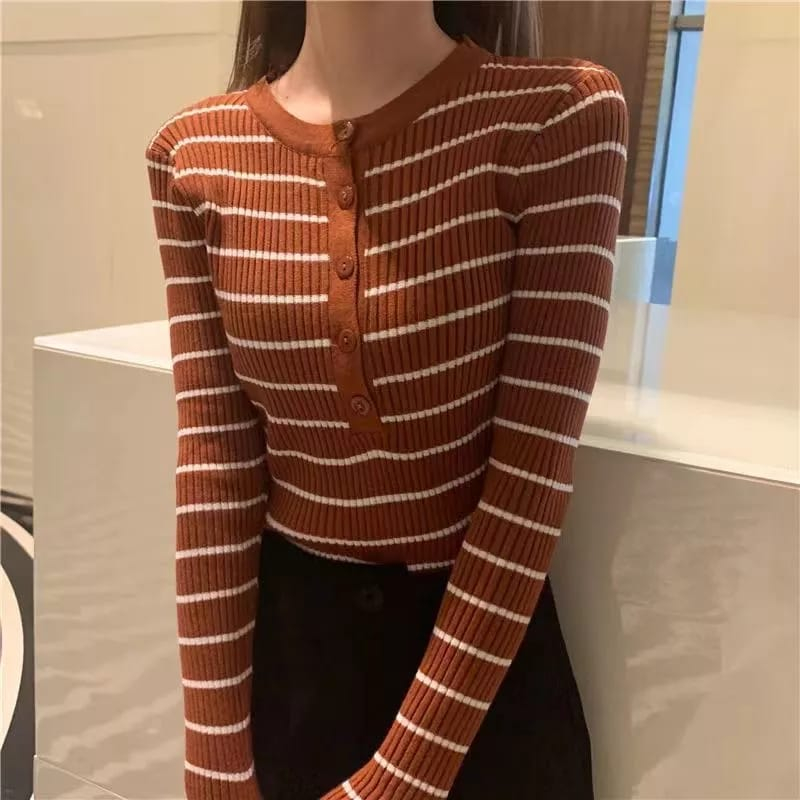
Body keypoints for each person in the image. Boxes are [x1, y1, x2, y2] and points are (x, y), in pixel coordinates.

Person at [144, 2, 628, 798]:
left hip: (478, 689)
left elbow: (529, 478)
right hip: (293, 676)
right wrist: (213, 762)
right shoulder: (192, 153)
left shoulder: (558, 117)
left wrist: (400, 780)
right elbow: (216, 466)